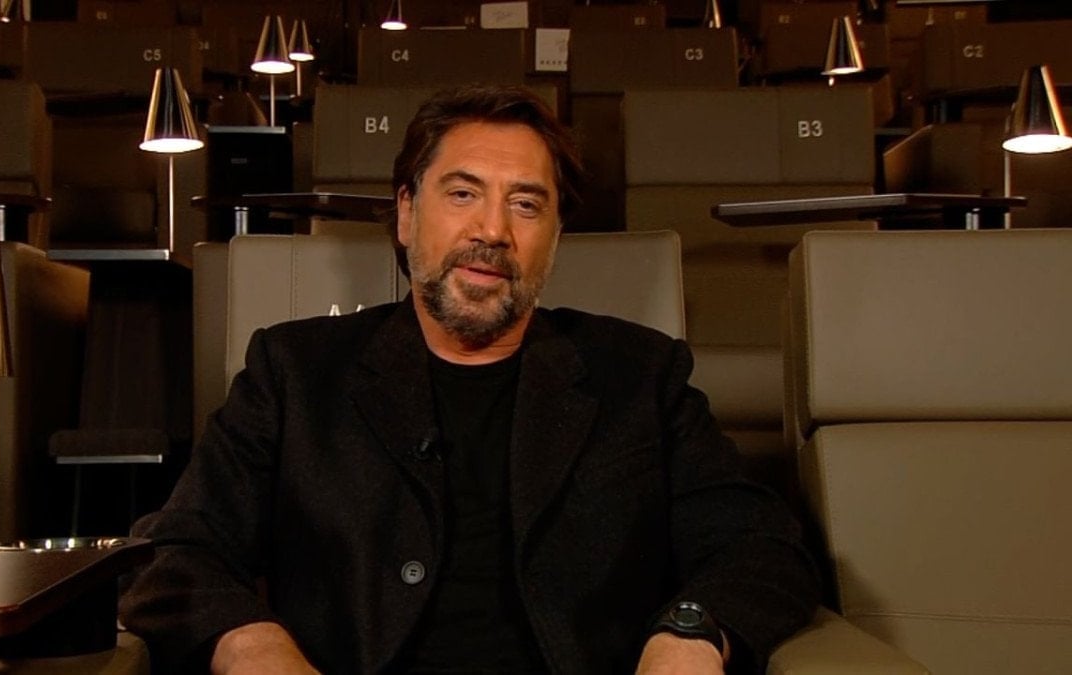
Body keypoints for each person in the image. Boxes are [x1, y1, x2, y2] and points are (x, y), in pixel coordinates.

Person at [120, 84, 819, 674]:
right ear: (406, 212)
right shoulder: (294, 372)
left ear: (555, 237)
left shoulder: (640, 375)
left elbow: (761, 547)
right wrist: (252, 645)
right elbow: (175, 551)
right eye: (462, 193)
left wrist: (689, 634)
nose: (492, 230)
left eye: (526, 204)